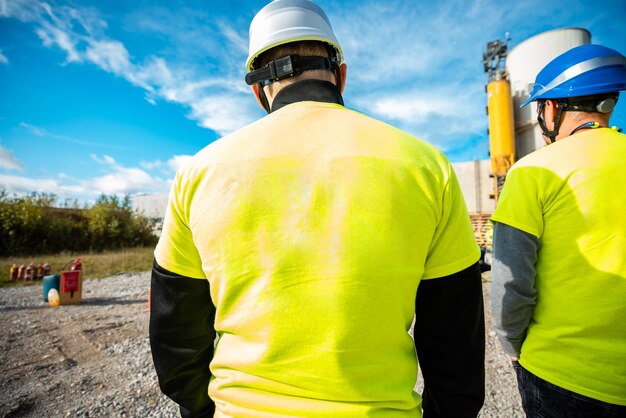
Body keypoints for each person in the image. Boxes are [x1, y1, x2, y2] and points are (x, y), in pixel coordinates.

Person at [150, 1, 485, 416]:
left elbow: (175, 337)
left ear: (257, 90)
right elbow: (456, 344)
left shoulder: (198, 174)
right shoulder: (427, 166)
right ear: (340, 74)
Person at [491, 43, 626, 417]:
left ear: (550, 108)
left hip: (563, 374)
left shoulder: (534, 171)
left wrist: (511, 343)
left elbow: (511, 283)